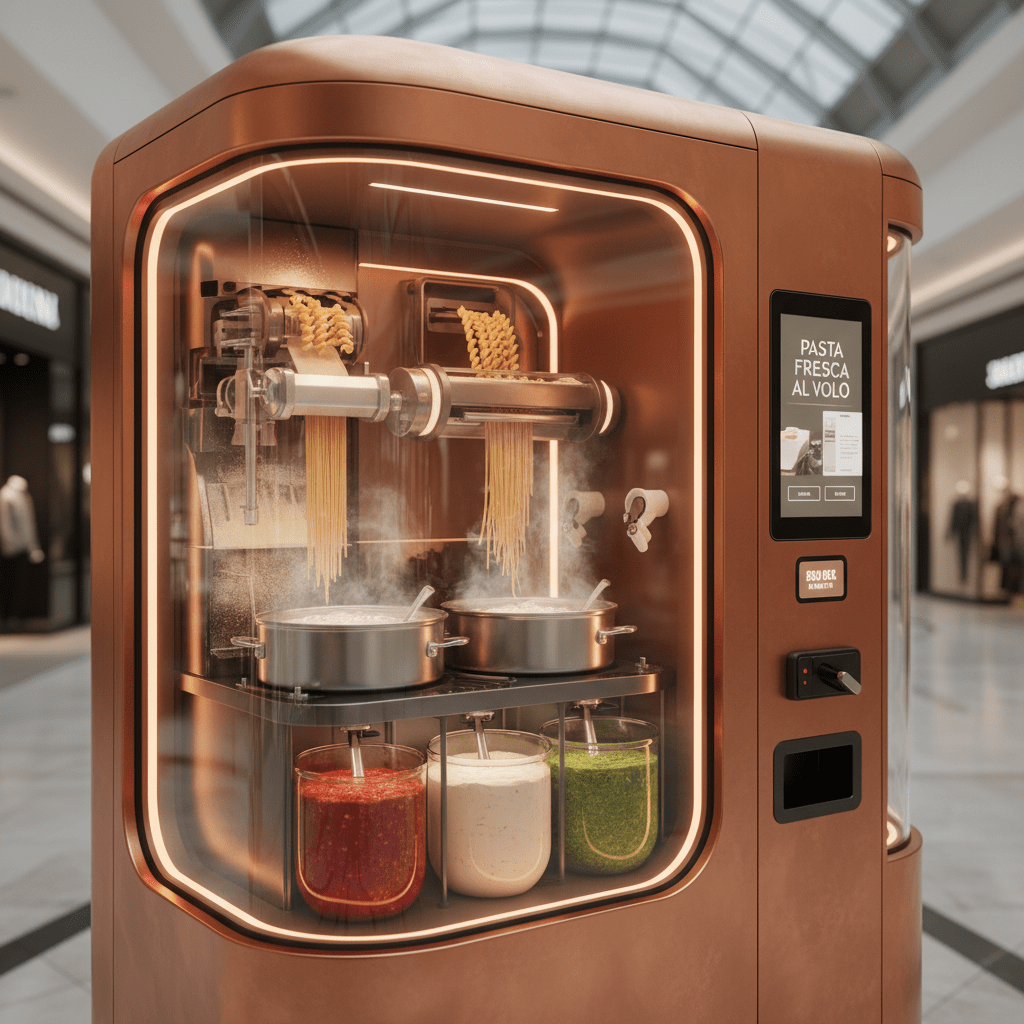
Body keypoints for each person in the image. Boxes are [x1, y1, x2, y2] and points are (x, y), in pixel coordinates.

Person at [0, 474, 45, 625]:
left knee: (20, 584)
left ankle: (16, 615)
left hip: (23, 548)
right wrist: (9, 545)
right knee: (10, 583)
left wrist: (33, 546)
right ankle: (9, 615)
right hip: (12, 549)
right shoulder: (6, 496)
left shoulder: (23, 497)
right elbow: (5, 525)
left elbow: (28, 525)